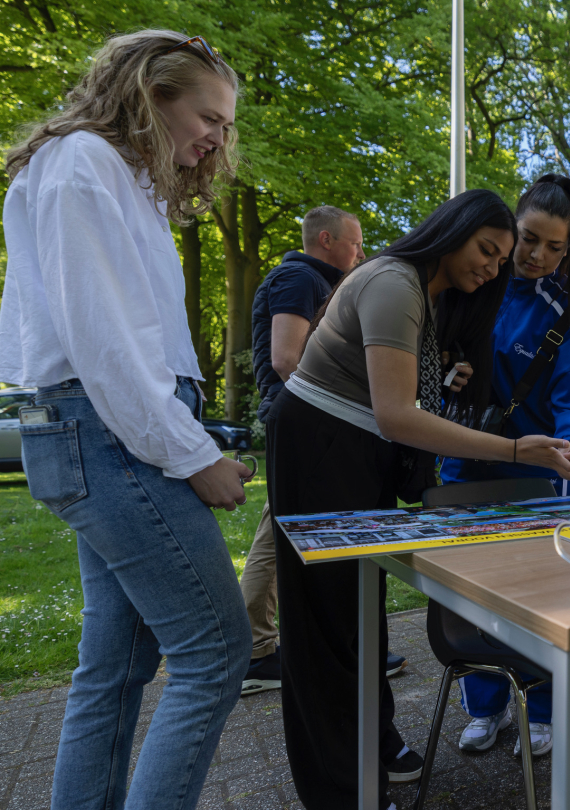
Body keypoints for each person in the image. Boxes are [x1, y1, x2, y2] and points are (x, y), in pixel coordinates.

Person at [267, 189, 570, 809]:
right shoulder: (394, 282)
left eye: (502, 259)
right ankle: (341, 792)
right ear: (453, 230)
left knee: (360, 617)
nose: (494, 267)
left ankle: (375, 746)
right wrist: (517, 449)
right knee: (324, 631)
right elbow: (396, 415)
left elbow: (402, 399)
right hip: (320, 446)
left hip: (358, 453)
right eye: (488, 250)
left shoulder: (434, 297)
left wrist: (443, 378)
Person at [0, 30, 252, 809]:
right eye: (209, 118)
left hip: (105, 431)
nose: (217, 139)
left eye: (225, 125)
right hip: (111, 434)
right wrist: (192, 454)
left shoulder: (114, 176)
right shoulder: (83, 163)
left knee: (115, 667)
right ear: (152, 95)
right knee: (216, 650)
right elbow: (103, 344)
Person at [441, 175, 570, 759]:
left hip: (536, 482)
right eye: (529, 238)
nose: (537, 255)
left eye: (554, 247)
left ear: (569, 250)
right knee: (471, 596)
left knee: (544, 599)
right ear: (510, 226)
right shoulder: (467, 286)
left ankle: (542, 709)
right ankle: (485, 707)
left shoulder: (567, 315)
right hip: (463, 472)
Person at [240, 204, 390, 696]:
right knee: (280, 532)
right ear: (326, 240)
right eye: (355, 243)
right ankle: (256, 651)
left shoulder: (315, 281)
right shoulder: (300, 278)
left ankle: (313, 646)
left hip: (313, 424)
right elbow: (287, 359)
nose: (361, 253)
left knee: (283, 527)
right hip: (307, 425)